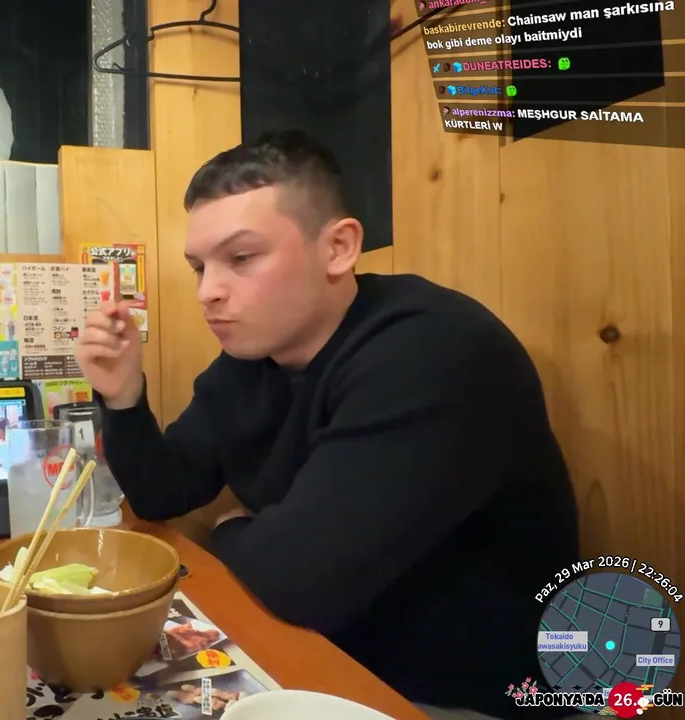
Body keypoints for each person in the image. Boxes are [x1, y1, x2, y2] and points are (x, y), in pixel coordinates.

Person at [76, 130, 581, 720]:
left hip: (464, 696)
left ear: (338, 248)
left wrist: (231, 529)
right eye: (199, 267)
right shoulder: (253, 358)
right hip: (325, 654)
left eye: (242, 258)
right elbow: (165, 490)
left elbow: (297, 581)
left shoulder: (431, 351)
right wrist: (124, 396)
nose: (208, 291)